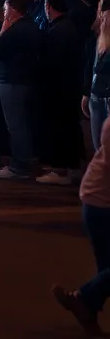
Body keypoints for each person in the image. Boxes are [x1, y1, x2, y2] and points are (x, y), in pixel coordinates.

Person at [52, 119, 110, 334]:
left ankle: (86, 309)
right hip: (101, 204)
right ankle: (83, 299)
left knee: (106, 271)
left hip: (99, 201)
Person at [0, 0, 43, 179]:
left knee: (16, 125)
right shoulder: (34, 27)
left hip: (11, 81)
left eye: (5, 10)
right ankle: (28, 159)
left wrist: (3, 30)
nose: (4, 14)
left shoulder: (14, 30)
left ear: (12, 10)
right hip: (27, 80)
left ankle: (20, 165)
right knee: (24, 123)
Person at [36, 0, 87, 185]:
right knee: (68, 127)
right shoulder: (66, 27)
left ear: (49, 7)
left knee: (61, 128)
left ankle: (62, 169)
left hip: (60, 88)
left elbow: (53, 63)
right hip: (68, 87)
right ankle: (70, 167)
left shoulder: (59, 30)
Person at [84, 0, 110, 153]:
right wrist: (86, 92)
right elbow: (92, 67)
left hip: (107, 95)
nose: (103, 20)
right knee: (98, 148)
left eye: (106, 18)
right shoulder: (99, 40)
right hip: (96, 94)